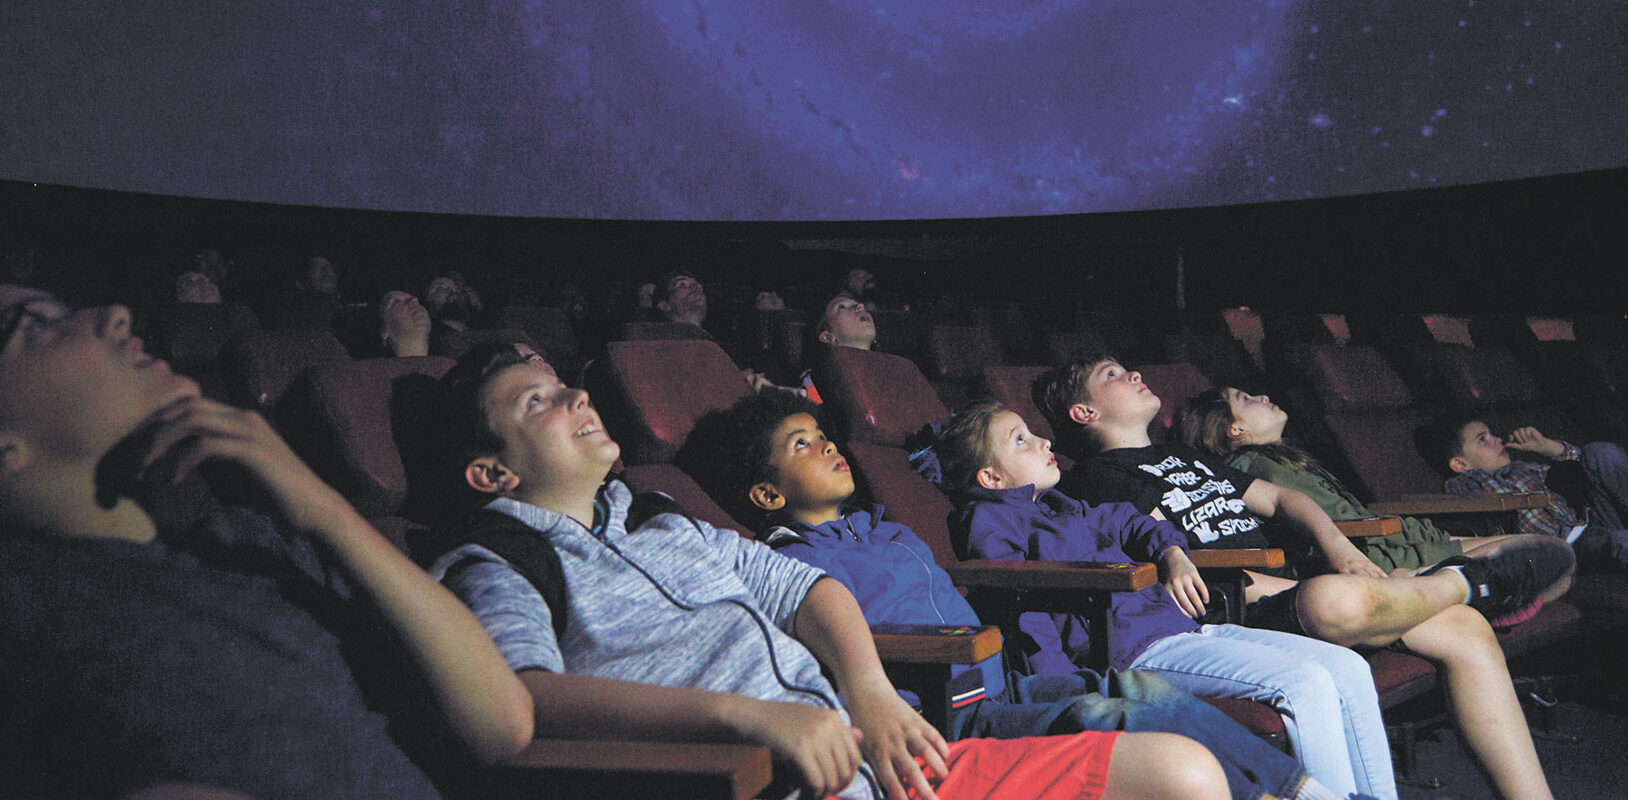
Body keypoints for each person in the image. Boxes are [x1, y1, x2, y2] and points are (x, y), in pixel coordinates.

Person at [424, 342, 1231, 800]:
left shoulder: (660, 517)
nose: (572, 397)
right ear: (490, 473)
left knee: (1182, 773)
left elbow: (810, 588)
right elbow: (519, 694)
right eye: (537, 404)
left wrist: (871, 695)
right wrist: (753, 718)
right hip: (757, 777)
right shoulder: (497, 560)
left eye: (564, 385)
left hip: (876, 759)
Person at [0, 285, 535, 798]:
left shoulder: (247, 542)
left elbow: (501, 724)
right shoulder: (27, 601)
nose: (114, 313)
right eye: (37, 325)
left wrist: (326, 509)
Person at [682, 390, 1352, 800]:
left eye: (826, 436)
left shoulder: (886, 528)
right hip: (947, 721)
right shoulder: (793, 560)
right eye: (804, 446)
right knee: (1103, 711)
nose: (829, 448)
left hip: (1001, 690)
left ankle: (1301, 790)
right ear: (769, 495)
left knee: (1139, 690)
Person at [1036, 355, 1570, 800]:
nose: (1131, 374)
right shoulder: (1099, 480)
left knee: (1466, 630)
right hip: (1233, 604)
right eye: (1112, 375)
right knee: (1339, 601)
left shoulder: (1181, 456)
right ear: (1085, 412)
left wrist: (1337, 546)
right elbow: (1178, 558)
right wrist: (1308, 582)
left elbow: (1283, 497)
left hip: (1296, 578)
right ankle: (1465, 580)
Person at [922, 399, 1396, 800]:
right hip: (1132, 648)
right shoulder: (991, 522)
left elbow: (1135, 522)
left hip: (1178, 627)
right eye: (1020, 440)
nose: (1044, 442)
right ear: (990, 477)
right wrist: (1065, 683)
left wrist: (1173, 554)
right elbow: (1016, 602)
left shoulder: (1064, 506)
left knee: (1347, 667)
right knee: (1304, 683)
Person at [1176, 387, 1540, 573]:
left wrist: (1439, 536)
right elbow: (1349, 526)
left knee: (1537, 549)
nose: (1263, 396)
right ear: (1235, 428)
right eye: (1246, 398)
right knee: (1537, 553)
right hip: (1386, 559)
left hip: (1398, 545)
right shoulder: (1261, 468)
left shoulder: (1278, 459)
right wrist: (1437, 541)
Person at [1417, 415, 1628, 572]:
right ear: (1461, 464)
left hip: (1590, 519)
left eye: (1491, 434)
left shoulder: (1520, 468)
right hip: (1567, 546)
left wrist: (1547, 446)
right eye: (1482, 439)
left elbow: (1590, 468)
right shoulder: (1464, 487)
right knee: (1621, 542)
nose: (1496, 439)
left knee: (1600, 453)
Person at [378, 288, 433, 358]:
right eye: (396, 302)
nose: (414, 303)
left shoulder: (447, 364)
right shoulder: (372, 368)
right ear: (384, 330)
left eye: (415, 301)